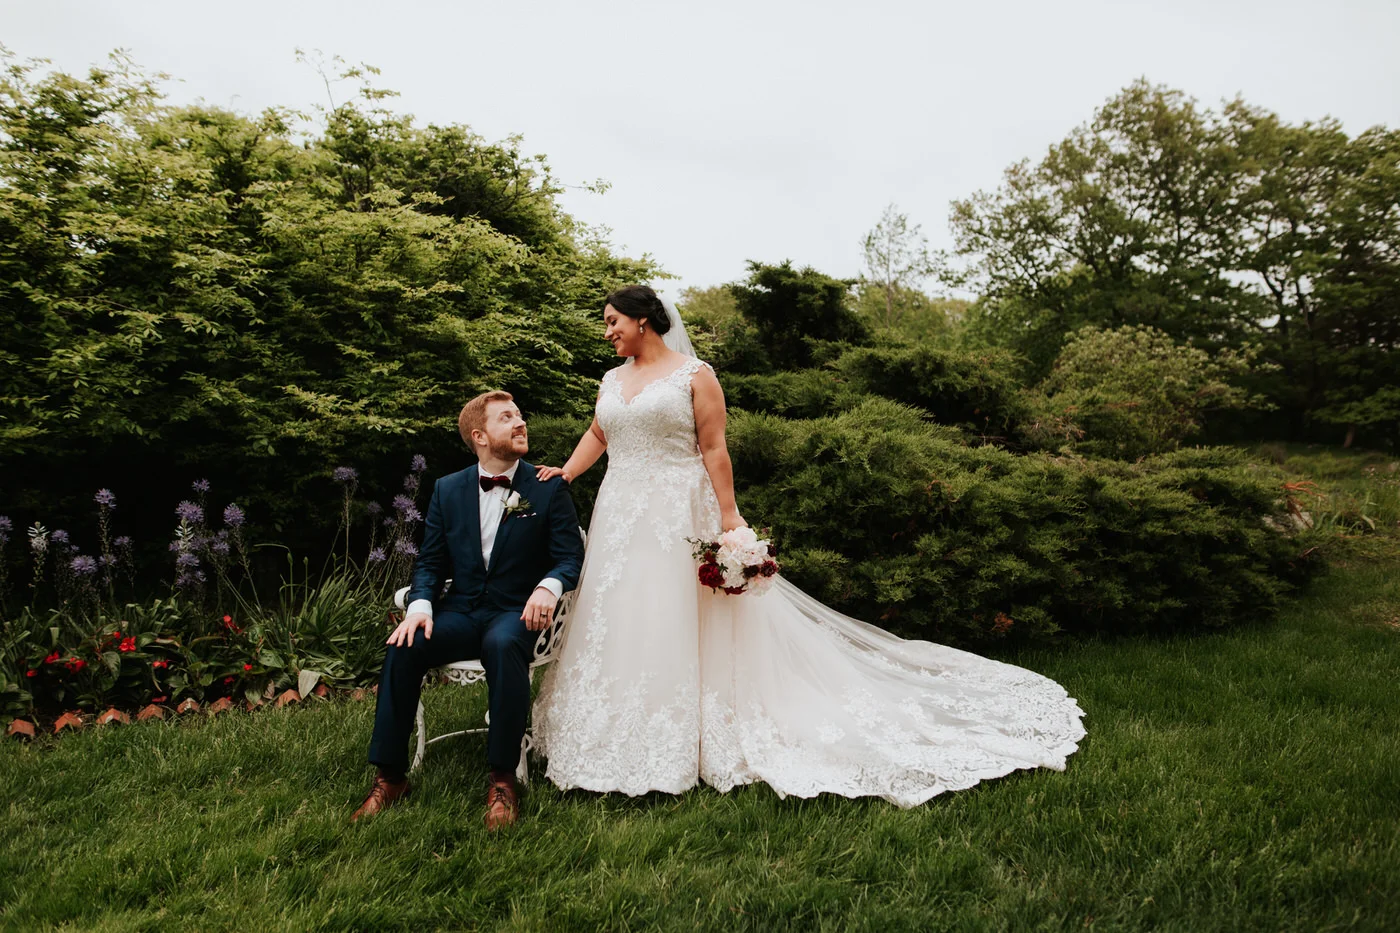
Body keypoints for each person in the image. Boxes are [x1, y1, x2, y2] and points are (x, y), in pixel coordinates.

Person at [531, 285, 1085, 806]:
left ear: (644, 320)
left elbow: (715, 447)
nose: (608, 332)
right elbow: (602, 433)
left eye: (613, 322)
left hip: (679, 509)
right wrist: (570, 474)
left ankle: (691, 730)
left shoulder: (695, 375)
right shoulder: (610, 378)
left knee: (678, 611)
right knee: (623, 611)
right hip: (621, 510)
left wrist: (730, 519)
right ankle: (612, 724)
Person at [353, 391, 585, 829]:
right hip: (460, 610)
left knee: (501, 643)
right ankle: (390, 776)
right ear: (479, 436)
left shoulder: (547, 486)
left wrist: (548, 587)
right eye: (506, 418)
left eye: (519, 415)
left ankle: (502, 780)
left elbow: (568, 556)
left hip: (517, 612)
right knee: (404, 643)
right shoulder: (448, 488)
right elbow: (431, 560)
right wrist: (420, 606)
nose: (520, 423)